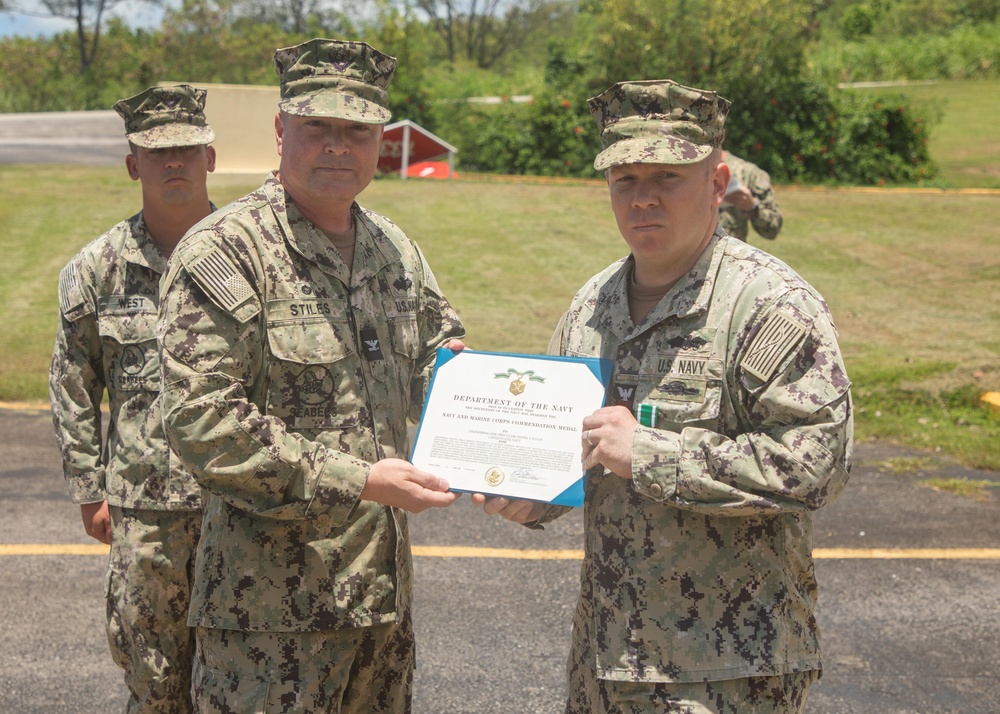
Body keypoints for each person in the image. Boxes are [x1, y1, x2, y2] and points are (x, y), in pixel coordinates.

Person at [476, 79, 853, 713]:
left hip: (728, 672)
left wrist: (650, 454)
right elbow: (574, 449)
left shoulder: (770, 307)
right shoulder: (592, 307)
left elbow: (817, 466)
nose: (643, 198)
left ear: (716, 182)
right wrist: (529, 493)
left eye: (669, 176)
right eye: (625, 178)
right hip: (606, 661)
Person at [156, 38, 464, 712]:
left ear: (380, 141)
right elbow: (204, 425)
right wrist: (360, 480)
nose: (337, 146)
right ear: (280, 130)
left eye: (356, 130)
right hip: (268, 624)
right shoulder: (225, 252)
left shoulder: (393, 250)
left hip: (380, 612)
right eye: (317, 127)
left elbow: (443, 367)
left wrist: (502, 442)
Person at [49, 84, 217, 713]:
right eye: (157, 152)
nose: (174, 162)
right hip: (147, 515)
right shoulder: (97, 268)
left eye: (186, 149)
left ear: (211, 159)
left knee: (253, 676)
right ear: (132, 165)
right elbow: (73, 382)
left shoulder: (260, 255)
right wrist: (90, 491)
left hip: (244, 507)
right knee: (154, 679)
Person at [718, 150, 783, 242]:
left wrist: (753, 207)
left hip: (729, 253)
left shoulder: (749, 173)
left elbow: (773, 229)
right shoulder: (691, 170)